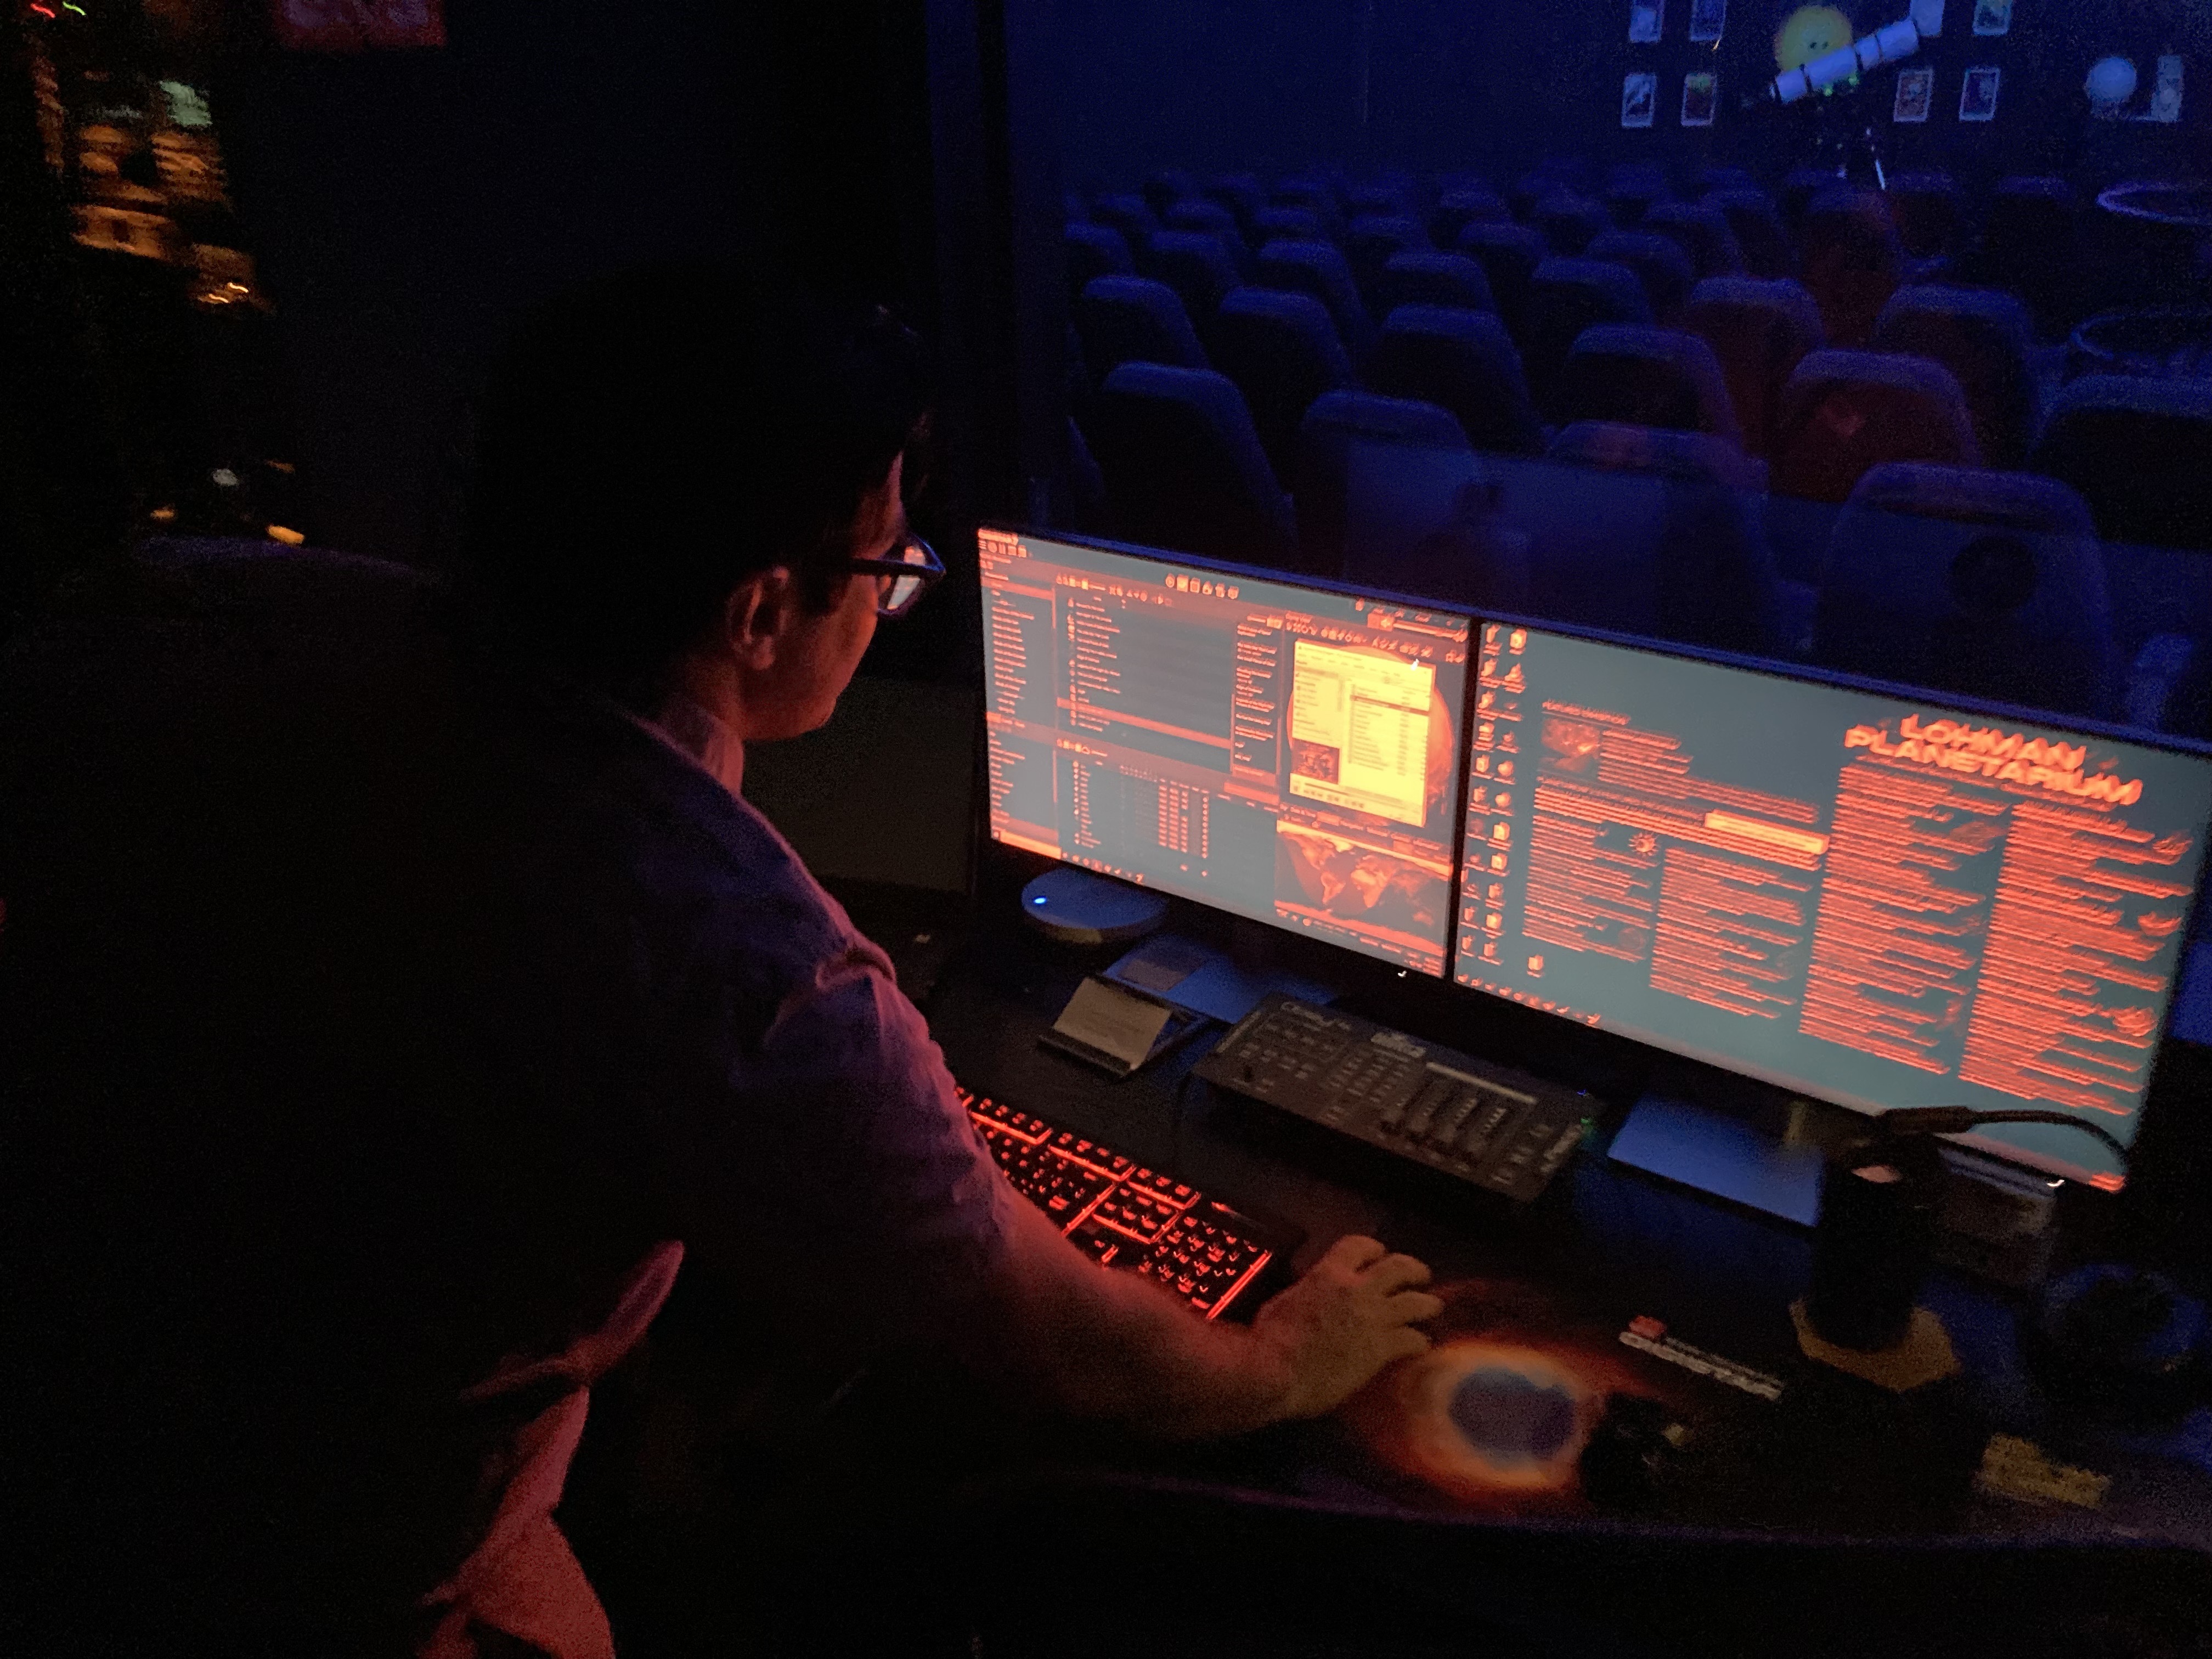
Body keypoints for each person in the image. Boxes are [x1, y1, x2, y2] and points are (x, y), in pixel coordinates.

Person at [0, 263, 1438, 1659]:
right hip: (312, 1573)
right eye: (889, 564)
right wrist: (1288, 1360)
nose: (896, 595)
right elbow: (1060, 1345)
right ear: (760, 613)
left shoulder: (173, 614)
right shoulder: (747, 974)